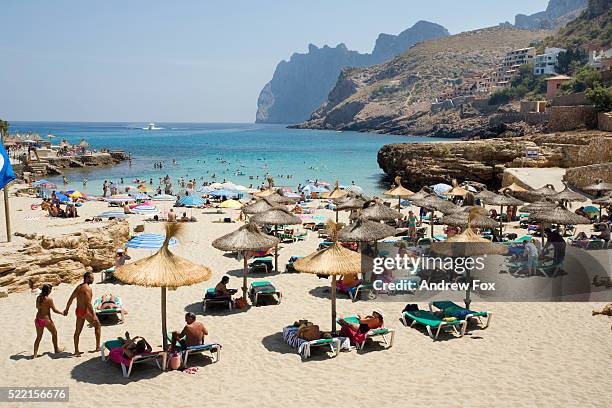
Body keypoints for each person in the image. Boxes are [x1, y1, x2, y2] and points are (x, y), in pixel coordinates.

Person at [63, 272, 101, 356]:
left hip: (78, 311)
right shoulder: (87, 288)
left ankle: (76, 351)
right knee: (97, 325)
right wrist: (94, 315)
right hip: (86, 312)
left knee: (77, 331)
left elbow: (71, 298)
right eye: (91, 278)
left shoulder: (78, 287)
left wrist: (67, 309)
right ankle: (98, 347)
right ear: (87, 278)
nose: (93, 279)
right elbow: (88, 303)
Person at [33, 284, 64, 358]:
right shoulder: (49, 299)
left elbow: (37, 307)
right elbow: (54, 310)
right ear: (48, 290)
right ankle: (56, 349)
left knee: (38, 337)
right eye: (50, 290)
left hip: (38, 320)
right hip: (46, 320)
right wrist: (61, 313)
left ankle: (35, 354)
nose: (51, 291)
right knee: (54, 333)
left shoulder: (38, 298)